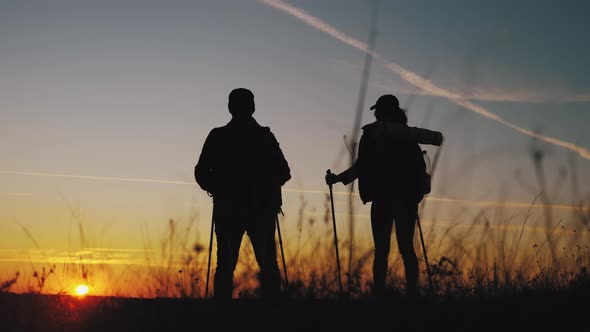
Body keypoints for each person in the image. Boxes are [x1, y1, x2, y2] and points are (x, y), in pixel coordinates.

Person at [325, 94, 443, 297]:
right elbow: (436, 138)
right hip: (406, 199)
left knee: (381, 250)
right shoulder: (407, 135)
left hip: (382, 198)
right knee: (407, 248)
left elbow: (361, 167)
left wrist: (337, 179)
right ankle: (412, 293)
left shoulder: (371, 134)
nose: (375, 113)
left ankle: (379, 293)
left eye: (377, 110)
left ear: (381, 111)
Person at [195, 88, 291, 300]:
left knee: (226, 264)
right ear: (253, 107)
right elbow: (284, 172)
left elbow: (201, 172)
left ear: (230, 107)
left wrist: (217, 187)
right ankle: (273, 313)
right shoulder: (265, 136)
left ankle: (222, 315)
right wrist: (267, 187)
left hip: (228, 208)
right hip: (261, 209)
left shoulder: (218, 136)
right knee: (267, 263)